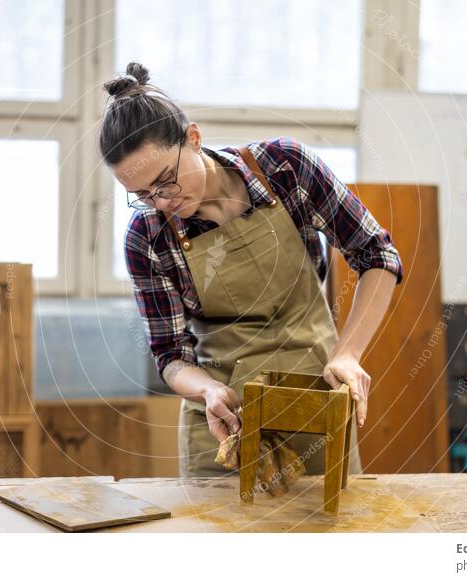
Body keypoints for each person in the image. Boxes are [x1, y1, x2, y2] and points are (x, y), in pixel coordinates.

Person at [99, 62, 403, 478]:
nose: (162, 201)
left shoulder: (286, 169)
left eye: (167, 181)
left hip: (313, 403)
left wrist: (349, 353)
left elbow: (377, 254)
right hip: (223, 422)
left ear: (193, 137)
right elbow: (171, 356)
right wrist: (206, 390)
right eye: (143, 195)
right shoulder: (147, 235)